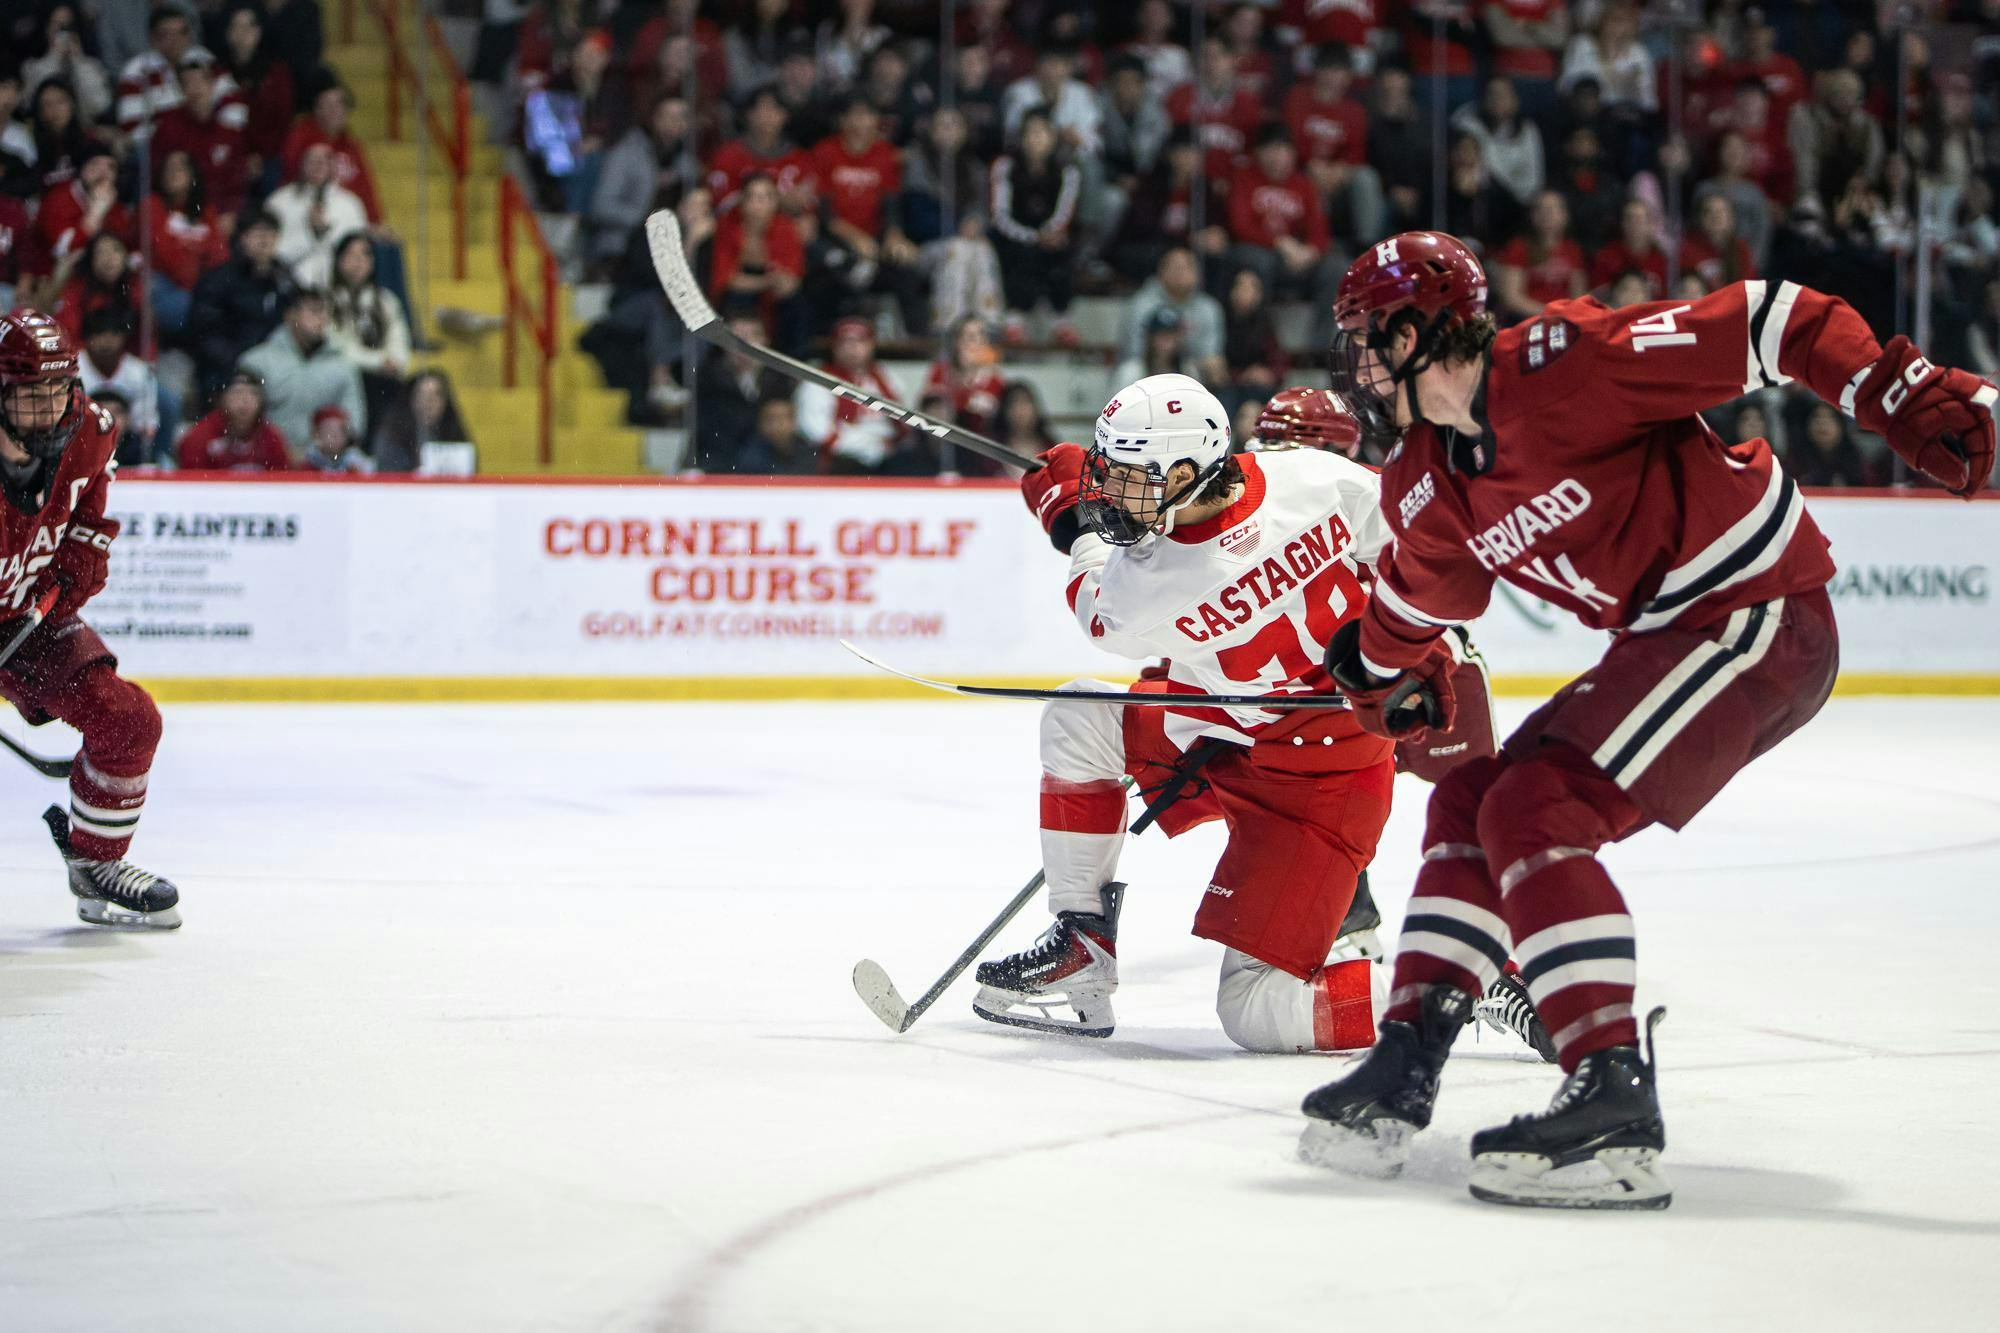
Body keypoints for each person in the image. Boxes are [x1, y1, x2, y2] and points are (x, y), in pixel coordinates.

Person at [1299, 230, 1996, 1209]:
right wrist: (1366, 668)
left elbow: (1772, 318)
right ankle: (1407, 1059)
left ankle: (1611, 1098)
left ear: (1421, 323)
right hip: (1673, 634)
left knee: (1532, 807)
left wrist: (1889, 391)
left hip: (1758, 609)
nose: (1358, 363)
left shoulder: (1561, 364)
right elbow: (1413, 606)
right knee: (1471, 797)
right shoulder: (1424, 477)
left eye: (1368, 335)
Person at [977, 373, 1548, 1058]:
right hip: (1235, 724)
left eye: (1129, 475)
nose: (1112, 491)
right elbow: (1411, 543)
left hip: (1322, 782)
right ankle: (1083, 941)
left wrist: (1067, 518)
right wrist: (1425, 642)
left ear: (1186, 472)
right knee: (1081, 716)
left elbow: (1099, 605)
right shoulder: (1315, 477)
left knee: (1254, 1008)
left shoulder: (1147, 587)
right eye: (1109, 472)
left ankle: (1456, 980)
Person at [0, 310, 181, 928]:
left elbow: (89, 517)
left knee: (129, 721)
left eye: (56, 389)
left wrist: (72, 570)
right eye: (29, 395)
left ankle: (95, 862)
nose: (48, 407)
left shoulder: (90, 428)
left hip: (26, 618)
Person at [239, 289, 365, 455]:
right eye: (314, 311)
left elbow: (354, 424)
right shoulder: (257, 361)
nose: (322, 319)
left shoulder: (344, 367)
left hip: (322, 464)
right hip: (267, 462)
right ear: (290, 315)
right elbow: (240, 420)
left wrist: (318, 452)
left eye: (326, 313)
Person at [189, 208, 295, 400]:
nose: (265, 240)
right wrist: (244, 361)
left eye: (271, 233)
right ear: (242, 238)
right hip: (228, 369)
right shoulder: (219, 279)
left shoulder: (285, 278)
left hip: (276, 366)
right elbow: (206, 334)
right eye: (257, 233)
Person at [794, 316, 898, 473]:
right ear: (834, 347)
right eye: (846, 342)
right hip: (841, 460)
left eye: (860, 341)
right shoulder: (818, 381)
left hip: (887, 458)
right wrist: (867, 445)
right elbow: (817, 432)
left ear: (872, 345)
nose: (853, 348)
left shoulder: (887, 378)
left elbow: (902, 426)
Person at [266, 142, 369, 290]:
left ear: (334, 165)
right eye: (312, 160)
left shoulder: (351, 204)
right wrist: (311, 234)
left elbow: (357, 252)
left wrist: (322, 234)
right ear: (301, 164)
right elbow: (272, 252)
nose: (319, 165)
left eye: (325, 160)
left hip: (339, 289)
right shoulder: (279, 201)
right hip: (289, 287)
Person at [75, 308, 168, 462]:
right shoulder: (73, 371)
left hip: (127, 444)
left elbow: (145, 425)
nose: (106, 341)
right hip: (82, 441)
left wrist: (119, 426)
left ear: (123, 338)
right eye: (99, 334)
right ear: (88, 338)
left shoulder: (139, 373)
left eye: (113, 335)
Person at [177, 369, 292, 470]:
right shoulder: (200, 437)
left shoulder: (271, 437)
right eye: (238, 392)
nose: (245, 400)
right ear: (222, 398)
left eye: (253, 394)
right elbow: (192, 481)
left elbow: (281, 479)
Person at [374, 370, 471, 474]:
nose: (428, 402)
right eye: (422, 394)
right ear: (411, 399)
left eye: (436, 395)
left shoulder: (454, 433)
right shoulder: (393, 435)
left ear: (445, 402)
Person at [299, 404, 374, 473]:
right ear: (317, 434)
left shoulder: (357, 464)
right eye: (329, 431)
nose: (335, 435)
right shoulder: (307, 463)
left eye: (340, 431)